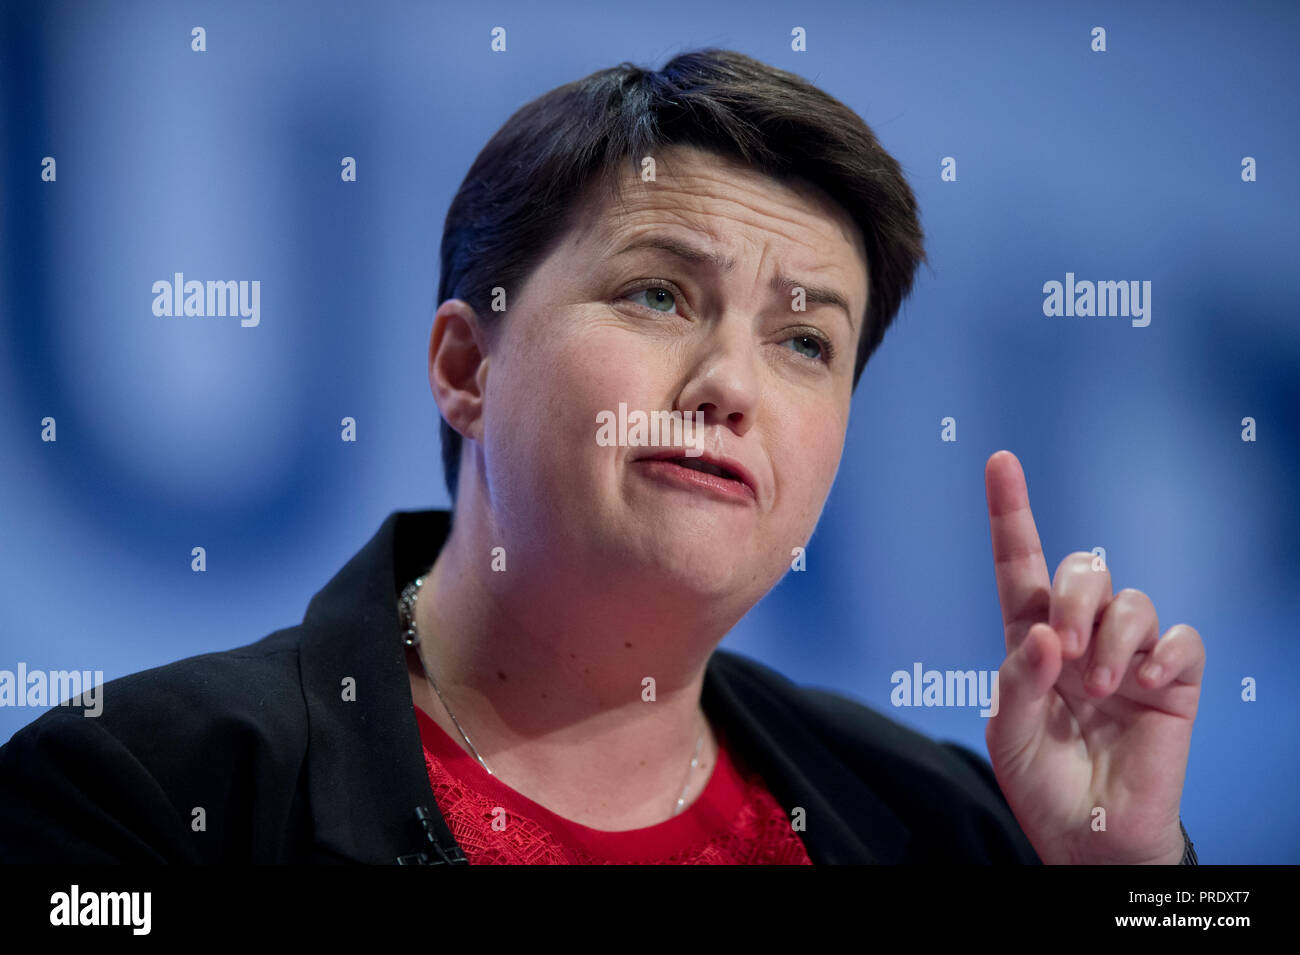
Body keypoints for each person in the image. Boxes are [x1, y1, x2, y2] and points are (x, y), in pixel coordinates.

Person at [0, 48, 1202, 865]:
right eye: (658, 295)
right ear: (468, 368)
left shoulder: (946, 827)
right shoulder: (146, 794)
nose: (730, 385)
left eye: (801, 339)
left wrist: (1128, 877)